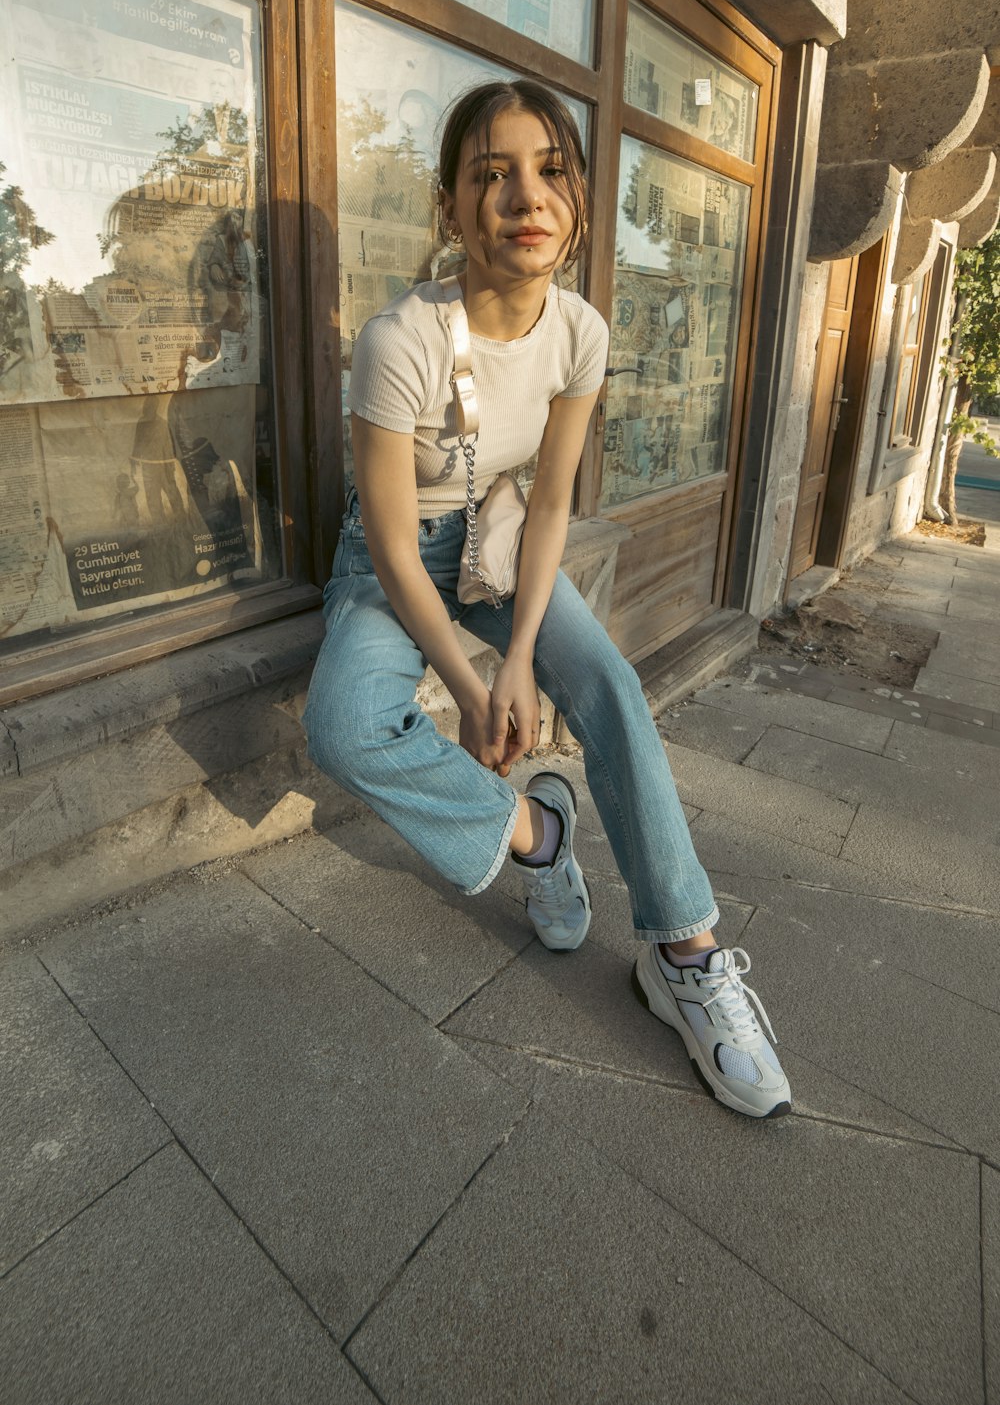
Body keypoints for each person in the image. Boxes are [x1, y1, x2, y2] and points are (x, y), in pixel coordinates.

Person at [303, 79, 790, 1120]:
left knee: (607, 681)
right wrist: (467, 688)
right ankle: (538, 836)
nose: (525, 194)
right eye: (493, 173)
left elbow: (555, 495)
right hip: (398, 562)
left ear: (576, 200)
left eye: (549, 170)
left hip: (505, 536)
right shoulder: (401, 340)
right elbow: (392, 548)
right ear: (451, 210)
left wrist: (519, 656)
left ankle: (685, 954)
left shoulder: (578, 331)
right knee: (342, 723)